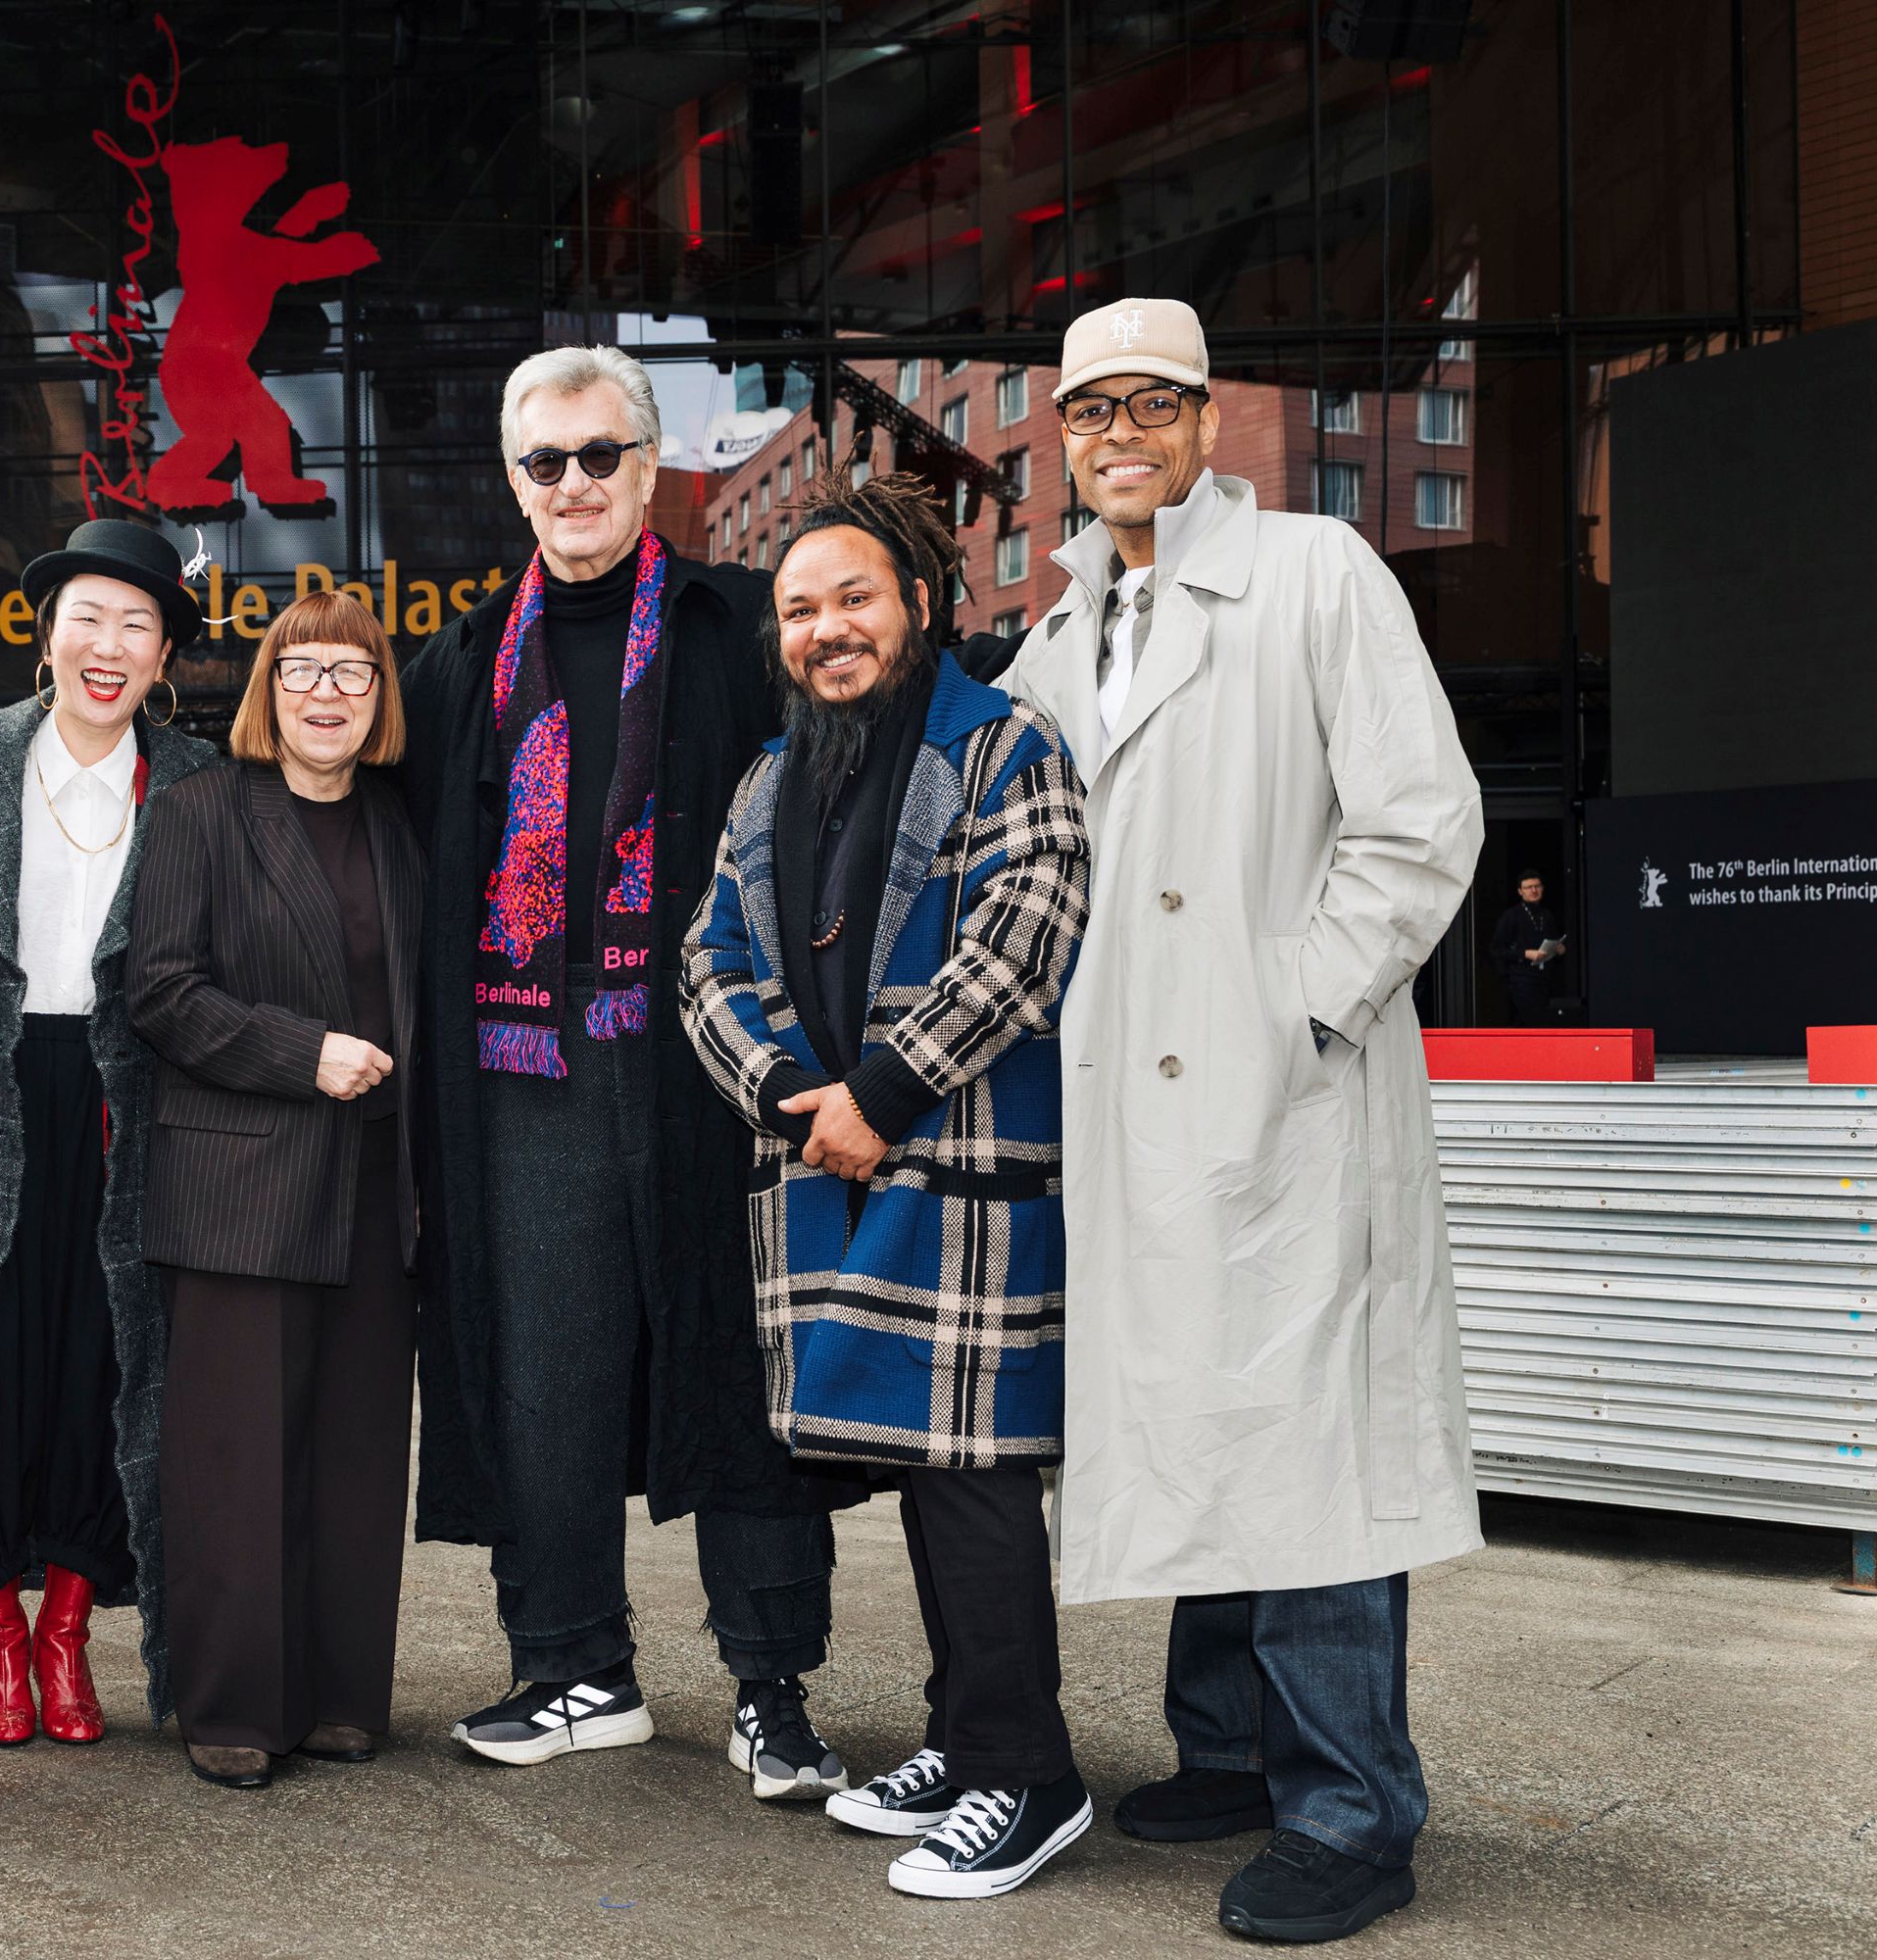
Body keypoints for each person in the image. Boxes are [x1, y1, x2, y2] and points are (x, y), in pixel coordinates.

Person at [1003, 298, 1484, 1944]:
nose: (1121, 433)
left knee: (1305, 1443)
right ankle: (1229, 1748)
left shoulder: (1315, 571)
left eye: (1155, 403)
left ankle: (1352, 1809)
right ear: (1068, 442)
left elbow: (1419, 821)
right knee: (1197, 1416)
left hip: (1286, 1093)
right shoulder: (1056, 636)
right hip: (1130, 1108)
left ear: (1208, 424)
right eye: (1092, 410)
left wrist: (1303, 1009)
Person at [402, 344, 861, 1796]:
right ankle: (572, 1668)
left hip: (715, 1069)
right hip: (525, 1072)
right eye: (546, 462)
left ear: (650, 466)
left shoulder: (741, 629)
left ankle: (771, 1688)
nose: (576, 484)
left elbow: (874, 754)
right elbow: (328, 780)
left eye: (602, 455)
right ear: (514, 482)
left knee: (739, 1365)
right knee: (544, 1378)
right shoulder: (461, 661)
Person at [681, 464, 1096, 1899]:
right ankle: (963, 1736)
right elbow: (706, 960)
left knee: (975, 1475)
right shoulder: (768, 776)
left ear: (917, 601)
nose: (825, 629)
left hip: (962, 1165)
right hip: (822, 1168)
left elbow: (1028, 934)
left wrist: (882, 1095)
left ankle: (1029, 1777)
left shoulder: (1004, 743)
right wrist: (783, 1096)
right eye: (800, 610)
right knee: (921, 1468)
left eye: (852, 597)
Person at [0, 519, 215, 1749]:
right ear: (47, 633)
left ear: (163, 654)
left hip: (127, 1102)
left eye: (137, 625)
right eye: (87, 618)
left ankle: (67, 1625)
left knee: (102, 1368)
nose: (108, 646)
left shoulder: (199, 782)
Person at [126, 592, 424, 1790]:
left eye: (353, 672)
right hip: (242, 1178)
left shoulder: (401, 824)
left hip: (377, 1182)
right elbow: (162, 990)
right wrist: (305, 1053)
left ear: (380, 696)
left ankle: (342, 1694)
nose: (326, 694)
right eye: (302, 670)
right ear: (268, 689)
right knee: (237, 1459)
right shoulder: (201, 812)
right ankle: (236, 1702)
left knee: (358, 1449)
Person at [1487, 871, 1565, 1025]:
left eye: (1537, 886)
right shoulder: (1511, 916)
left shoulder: (1546, 915)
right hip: (1521, 980)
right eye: (1528, 887)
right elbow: (1496, 950)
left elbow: (1553, 941)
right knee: (1530, 1020)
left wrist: (1559, 949)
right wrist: (1525, 953)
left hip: (1544, 979)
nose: (1534, 890)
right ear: (1520, 891)